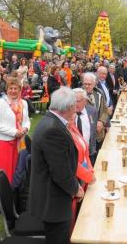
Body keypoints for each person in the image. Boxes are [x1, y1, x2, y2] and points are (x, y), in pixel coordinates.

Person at [29, 87, 83, 244]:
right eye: (74, 104)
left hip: (53, 197)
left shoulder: (51, 122)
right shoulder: (53, 130)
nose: (76, 108)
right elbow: (60, 172)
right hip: (54, 202)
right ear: (67, 107)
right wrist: (75, 189)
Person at [0, 77, 30, 195]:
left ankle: (12, 193)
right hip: (3, 142)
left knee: (16, 169)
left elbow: (26, 120)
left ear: (19, 90)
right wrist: (14, 132)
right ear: (7, 89)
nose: (13, 91)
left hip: (19, 142)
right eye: (10, 88)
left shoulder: (24, 103)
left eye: (15, 88)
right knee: (2, 170)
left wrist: (25, 128)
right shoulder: (0, 103)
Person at [73, 88, 98, 162]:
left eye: (77, 101)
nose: (75, 104)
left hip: (89, 154)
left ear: (85, 101)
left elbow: (93, 131)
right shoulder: (68, 114)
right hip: (74, 156)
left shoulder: (92, 111)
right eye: (73, 101)